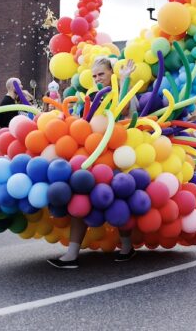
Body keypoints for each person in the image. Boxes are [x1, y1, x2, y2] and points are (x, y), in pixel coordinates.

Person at [48, 57, 136, 269]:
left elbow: (126, 111)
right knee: (79, 196)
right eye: (94, 75)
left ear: (111, 74)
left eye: (102, 75)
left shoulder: (119, 91)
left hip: (114, 155)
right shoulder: (89, 95)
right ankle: (71, 254)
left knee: (117, 199)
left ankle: (126, 246)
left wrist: (124, 81)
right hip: (89, 153)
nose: (97, 79)